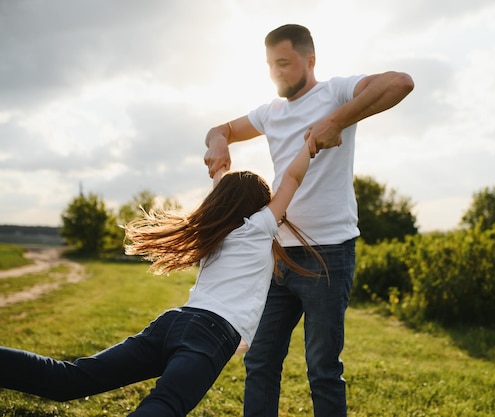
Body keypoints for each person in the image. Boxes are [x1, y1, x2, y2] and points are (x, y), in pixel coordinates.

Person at [0, 138, 324, 417]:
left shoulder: (214, 228)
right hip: (211, 334)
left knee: (71, 379)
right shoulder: (259, 227)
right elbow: (292, 178)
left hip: (174, 323)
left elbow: (228, 190)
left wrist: (220, 164)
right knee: (166, 405)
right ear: (260, 207)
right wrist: (309, 145)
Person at [204, 23, 414, 417]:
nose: (277, 72)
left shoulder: (334, 93)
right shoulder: (271, 112)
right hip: (278, 255)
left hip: (329, 255)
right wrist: (218, 140)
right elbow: (223, 129)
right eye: (270, 65)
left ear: (309, 60)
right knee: (260, 361)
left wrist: (337, 120)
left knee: (322, 369)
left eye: (284, 63)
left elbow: (400, 82)